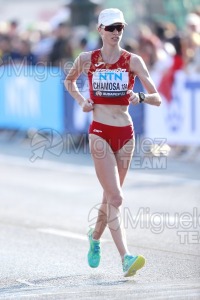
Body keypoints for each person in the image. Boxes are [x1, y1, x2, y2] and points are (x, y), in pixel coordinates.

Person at [64, 8, 161, 277]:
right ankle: (125, 257)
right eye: (110, 28)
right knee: (116, 196)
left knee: (109, 197)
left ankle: (94, 238)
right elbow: (69, 81)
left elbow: (158, 98)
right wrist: (83, 102)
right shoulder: (87, 59)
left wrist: (140, 97)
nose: (115, 32)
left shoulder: (133, 60)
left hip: (125, 135)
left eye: (119, 27)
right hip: (98, 132)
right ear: (100, 30)